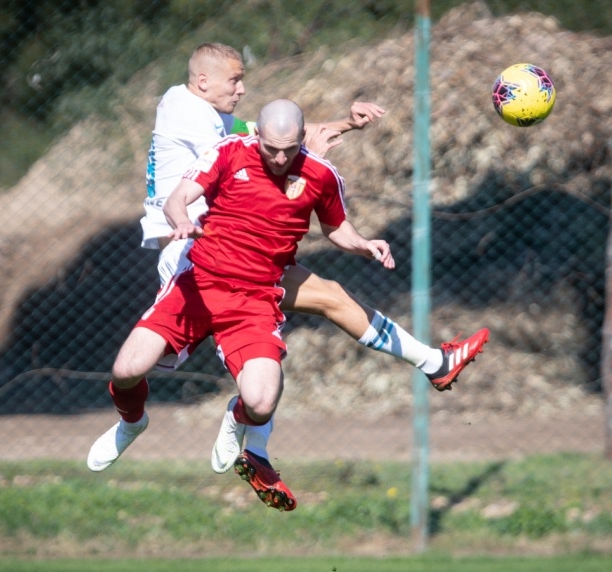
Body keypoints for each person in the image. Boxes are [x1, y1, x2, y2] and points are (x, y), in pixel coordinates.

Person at [89, 100, 410, 511]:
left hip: (255, 299)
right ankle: (131, 422)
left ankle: (237, 419)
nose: (279, 158)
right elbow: (177, 198)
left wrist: (364, 244)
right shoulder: (228, 150)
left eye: (289, 149)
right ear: (256, 135)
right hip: (199, 286)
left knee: (261, 401)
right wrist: (181, 220)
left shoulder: (320, 174)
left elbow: (336, 228)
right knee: (127, 369)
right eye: (271, 148)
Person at [137, 42, 488, 387]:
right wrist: (309, 163)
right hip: (196, 254)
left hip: (227, 247)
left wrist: (346, 123)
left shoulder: (200, 111)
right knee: (247, 364)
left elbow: (272, 135)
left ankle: (434, 363)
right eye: (234, 80)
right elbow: (266, 152)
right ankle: (165, 425)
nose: (242, 89)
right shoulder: (189, 116)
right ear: (203, 82)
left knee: (325, 301)